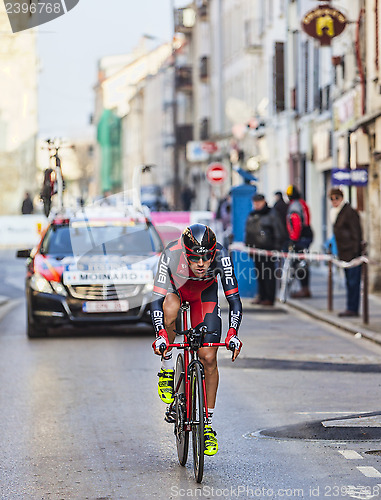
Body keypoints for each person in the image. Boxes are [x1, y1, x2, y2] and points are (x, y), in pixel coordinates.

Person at [151, 224, 243, 456]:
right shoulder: (171, 253)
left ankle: (207, 425)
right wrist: (161, 335)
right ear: (185, 253)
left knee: (208, 357)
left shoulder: (222, 257)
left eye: (206, 258)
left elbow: (234, 301)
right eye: (194, 258)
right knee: (169, 308)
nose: (201, 264)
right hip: (177, 292)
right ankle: (167, 368)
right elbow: (156, 301)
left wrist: (233, 333)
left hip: (204, 297)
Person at [245, 193, 284, 306]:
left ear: (264, 201)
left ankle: (269, 298)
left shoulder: (271, 214)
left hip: (268, 249)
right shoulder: (252, 214)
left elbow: (278, 230)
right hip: (255, 249)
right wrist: (248, 246)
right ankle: (261, 296)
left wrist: (276, 247)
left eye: (258, 203)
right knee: (260, 274)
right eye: (255, 203)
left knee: (268, 275)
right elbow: (249, 231)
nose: (256, 205)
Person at [329, 188, 363, 317]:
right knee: (349, 282)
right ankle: (350, 307)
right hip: (343, 253)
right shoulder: (336, 212)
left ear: (342, 198)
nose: (334, 201)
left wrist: (355, 253)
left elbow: (356, 233)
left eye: (336, 198)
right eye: (331, 199)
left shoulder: (349, 212)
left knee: (353, 282)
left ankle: (352, 308)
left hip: (351, 254)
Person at [286, 185, 313, 298]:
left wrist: (293, 239)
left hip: (300, 238)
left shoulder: (295, 206)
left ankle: (304, 289)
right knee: (302, 263)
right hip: (306, 235)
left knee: (300, 264)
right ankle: (304, 288)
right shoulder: (302, 203)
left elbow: (296, 223)